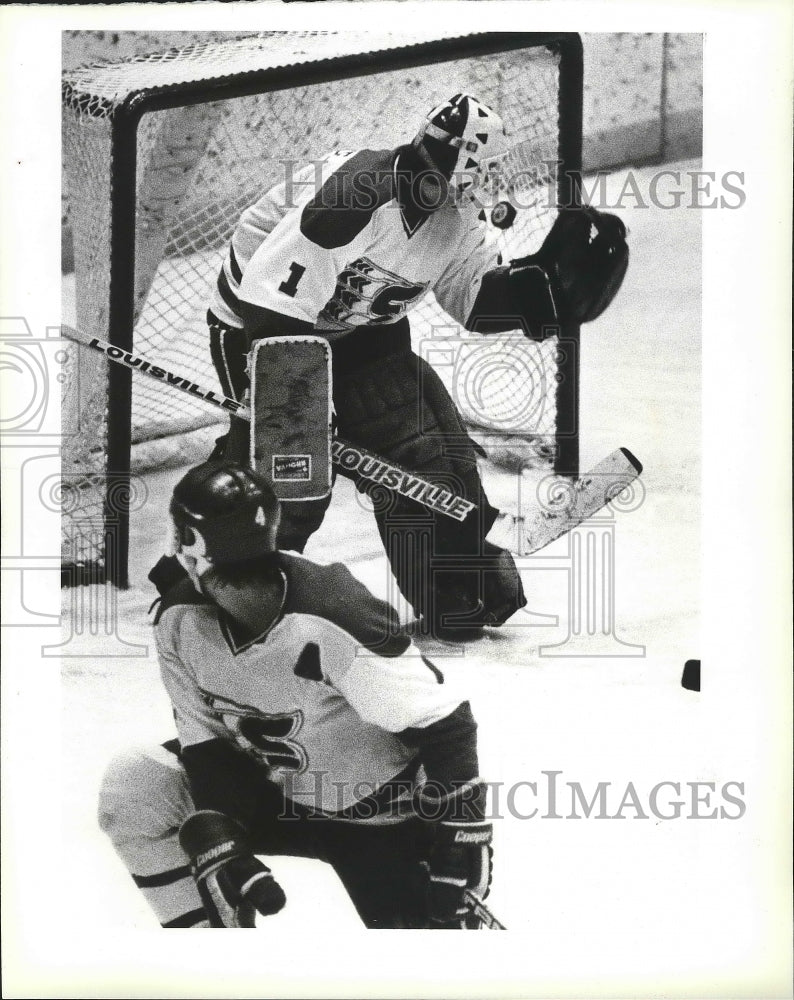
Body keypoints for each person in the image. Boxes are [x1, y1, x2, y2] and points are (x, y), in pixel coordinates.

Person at [202, 92, 628, 638]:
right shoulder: (356, 195)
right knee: (291, 473)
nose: (479, 192)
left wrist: (543, 296)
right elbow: (270, 304)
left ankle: (453, 587)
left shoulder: (458, 213)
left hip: (360, 329)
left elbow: (470, 297)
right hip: (260, 328)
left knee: (421, 450)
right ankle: (228, 591)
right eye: (478, 175)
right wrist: (304, 412)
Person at [100, 461, 494, 929]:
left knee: (434, 970)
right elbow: (204, 744)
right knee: (139, 784)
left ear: (189, 545)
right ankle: (209, 963)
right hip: (272, 795)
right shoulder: (179, 617)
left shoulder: (334, 611)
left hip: (380, 818)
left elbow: (445, 724)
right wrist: (217, 824)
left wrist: (460, 827)